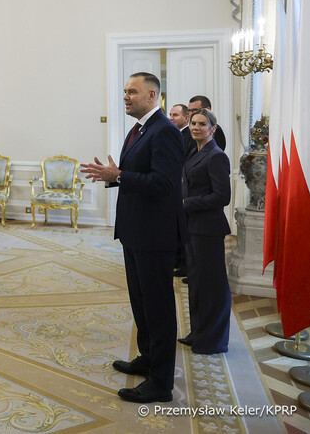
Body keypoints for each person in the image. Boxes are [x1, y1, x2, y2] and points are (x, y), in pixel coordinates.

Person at [81, 72, 183, 404]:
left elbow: (165, 184)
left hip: (155, 235)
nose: (126, 96)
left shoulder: (165, 131)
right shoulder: (139, 129)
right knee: (141, 302)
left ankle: (161, 383)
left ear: (152, 95)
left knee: (158, 307)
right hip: (135, 232)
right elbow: (140, 175)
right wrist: (113, 177)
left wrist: (121, 175)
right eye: (125, 91)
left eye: (132, 92)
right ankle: (148, 358)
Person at [179, 109, 232, 354]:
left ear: (213, 129)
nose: (196, 127)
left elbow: (222, 196)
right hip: (192, 226)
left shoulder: (217, 156)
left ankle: (214, 341)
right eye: (193, 123)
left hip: (208, 229)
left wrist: (186, 204)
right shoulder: (194, 151)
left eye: (202, 124)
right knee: (197, 284)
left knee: (212, 286)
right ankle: (198, 333)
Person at [168, 102, 191, 279]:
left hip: (184, 186)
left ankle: (185, 263)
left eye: (175, 115)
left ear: (186, 117)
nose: (171, 118)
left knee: (183, 227)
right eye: (170, 115)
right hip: (174, 185)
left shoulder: (189, 135)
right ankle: (176, 260)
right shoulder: (174, 133)